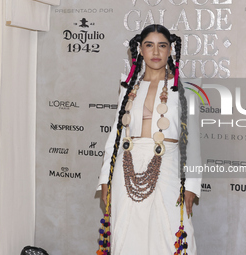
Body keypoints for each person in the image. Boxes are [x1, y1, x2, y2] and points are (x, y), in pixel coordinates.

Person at [96, 24, 202, 255]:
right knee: (127, 231)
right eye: (149, 45)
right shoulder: (127, 88)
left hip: (169, 168)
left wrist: (192, 184)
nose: (156, 52)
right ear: (140, 50)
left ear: (170, 51)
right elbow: (114, 134)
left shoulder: (186, 90)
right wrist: (105, 178)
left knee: (170, 233)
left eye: (162, 46)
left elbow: (192, 141)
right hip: (126, 168)